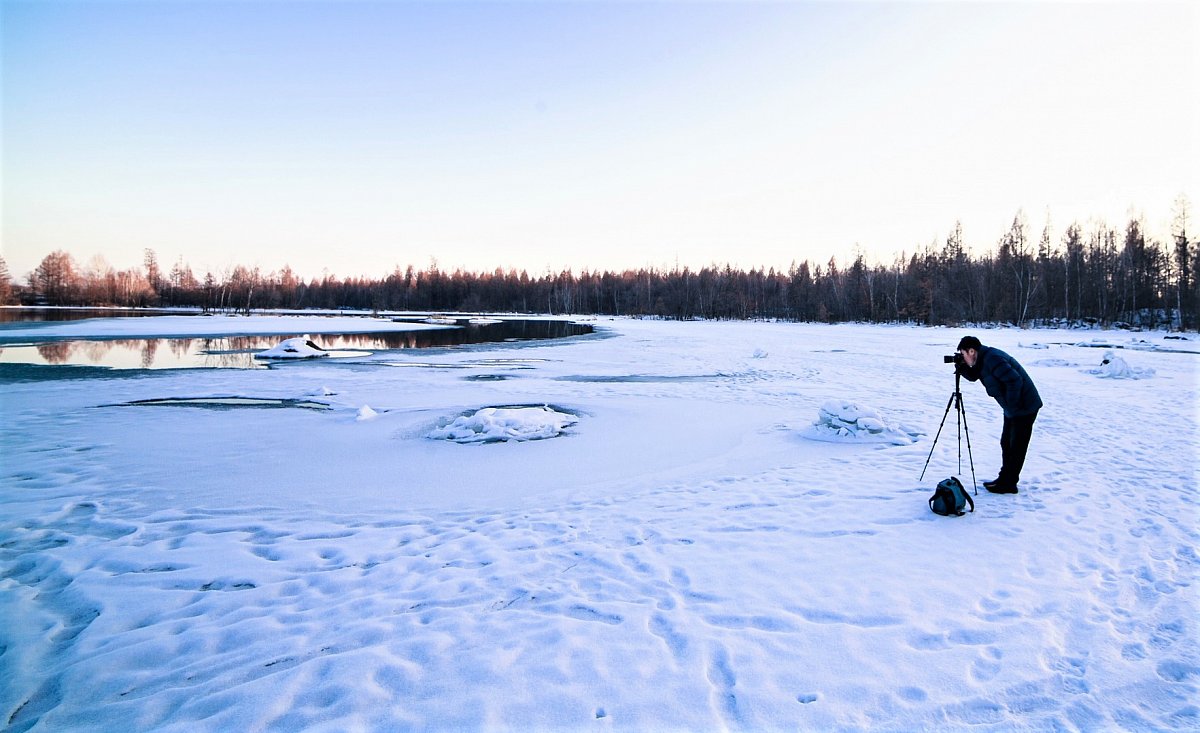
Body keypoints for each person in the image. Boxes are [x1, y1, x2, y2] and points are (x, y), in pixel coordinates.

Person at [955, 336, 1042, 494]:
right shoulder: (982, 359)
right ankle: (1004, 479)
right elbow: (974, 376)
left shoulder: (993, 359)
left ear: (972, 351)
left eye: (963, 354)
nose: (963, 357)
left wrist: (1012, 406)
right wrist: (962, 367)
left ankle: (1009, 484)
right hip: (1013, 408)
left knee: (1016, 446)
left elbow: (1014, 380)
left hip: (1025, 407)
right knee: (1006, 443)